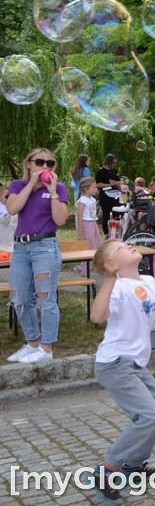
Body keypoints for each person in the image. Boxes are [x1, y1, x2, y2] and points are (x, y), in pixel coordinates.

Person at [88, 239, 155, 503]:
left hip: (136, 363)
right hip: (115, 364)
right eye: (122, 247)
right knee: (148, 415)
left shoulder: (148, 281)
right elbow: (96, 316)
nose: (130, 246)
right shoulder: (116, 288)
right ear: (111, 264)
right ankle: (107, 470)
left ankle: (132, 465)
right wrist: (110, 278)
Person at [5, 148, 69, 364]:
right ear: (29, 164)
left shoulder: (58, 188)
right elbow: (13, 208)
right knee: (19, 298)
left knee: (45, 298)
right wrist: (31, 184)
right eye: (40, 162)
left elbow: (60, 220)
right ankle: (32, 343)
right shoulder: (17, 185)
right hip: (21, 248)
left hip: (45, 246)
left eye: (50, 164)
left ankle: (46, 348)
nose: (45, 167)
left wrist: (52, 191)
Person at [76, 177, 103, 271]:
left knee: (97, 244)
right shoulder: (82, 201)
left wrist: (97, 227)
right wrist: (81, 233)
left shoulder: (93, 200)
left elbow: (93, 215)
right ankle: (84, 269)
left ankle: (96, 266)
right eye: (94, 187)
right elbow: (79, 217)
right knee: (88, 246)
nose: (96, 189)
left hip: (93, 224)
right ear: (86, 189)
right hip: (86, 225)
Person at [95, 154, 125, 236]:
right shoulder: (100, 171)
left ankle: (117, 232)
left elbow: (119, 182)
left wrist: (116, 183)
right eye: (113, 163)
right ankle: (106, 233)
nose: (114, 164)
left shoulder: (114, 171)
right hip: (105, 195)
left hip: (115, 194)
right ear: (109, 162)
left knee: (117, 213)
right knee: (106, 214)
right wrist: (109, 184)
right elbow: (98, 184)